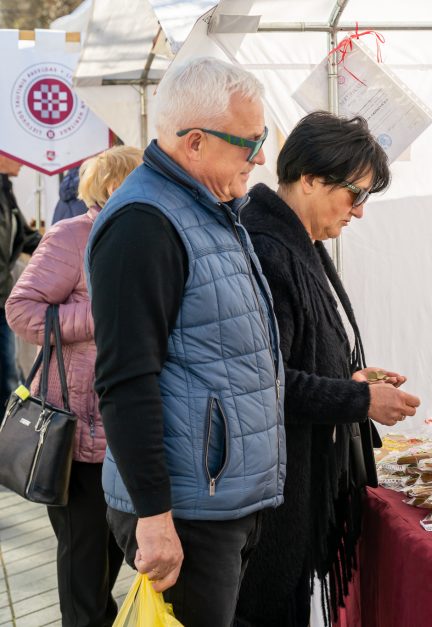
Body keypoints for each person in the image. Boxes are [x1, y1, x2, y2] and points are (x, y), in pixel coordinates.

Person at [85, 57, 285, 626]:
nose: (261, 156)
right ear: (195, 143)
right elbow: (124, 380)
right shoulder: (144, 223)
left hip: (218, 501)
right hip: (184, 512)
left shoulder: (208, 208)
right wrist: (154, 516)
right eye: (251, 142)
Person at [235, 111, 421, 626]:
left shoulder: (298, 241)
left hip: (291, 489)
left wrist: (353, 379)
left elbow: (295, 357)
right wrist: (359, 400)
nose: (359, 212)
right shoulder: (269, 248)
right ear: (311, 179)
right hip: (269, 500)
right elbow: (265, 383)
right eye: (354, 194)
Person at [6, 145, 142, 627]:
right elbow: (21, 311)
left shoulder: (143, 238)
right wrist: (100, 316)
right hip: (76, 435)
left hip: (125, 434)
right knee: (84, 566)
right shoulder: (72, 236)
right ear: (113, 186)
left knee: (108, 561)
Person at [0, 155, 40, 399]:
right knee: (8, 377)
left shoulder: (5, 191)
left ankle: (8, 434)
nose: (23, 161)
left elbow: (25, 237)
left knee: (8, 376)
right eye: (16, 154)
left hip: (2, 298)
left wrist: (61, 242)